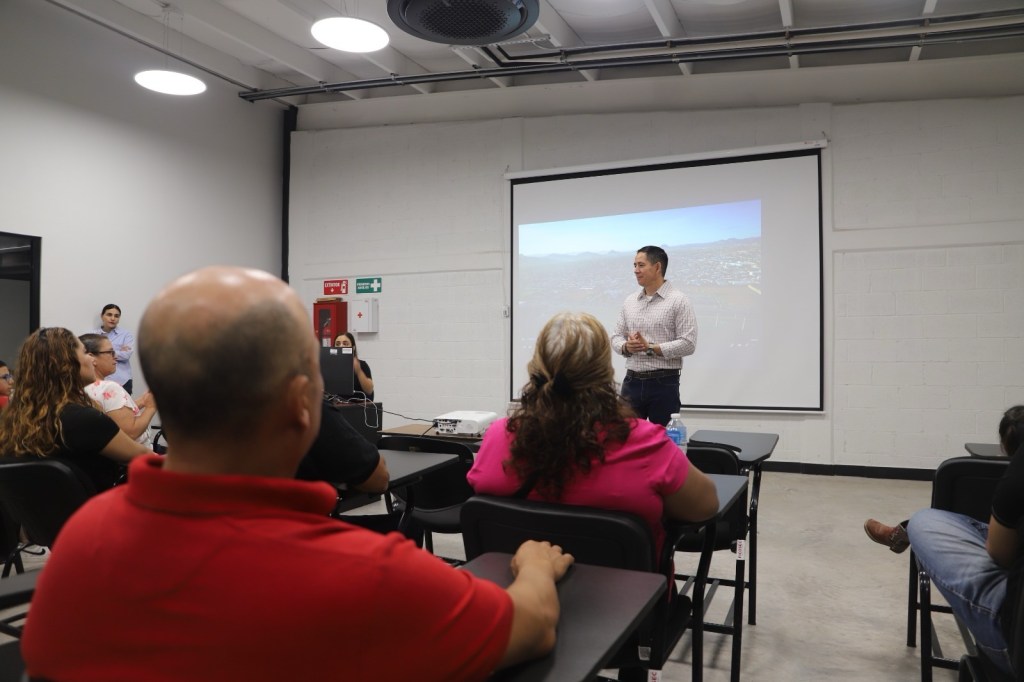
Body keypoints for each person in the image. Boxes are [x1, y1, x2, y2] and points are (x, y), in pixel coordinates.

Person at [22, 266, 573, 681]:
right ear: (300, 404)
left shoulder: (80, 543)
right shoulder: (371, 576)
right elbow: (531, 626)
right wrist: (534, 567)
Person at [468, 311, 718, 557]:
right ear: (605, 373)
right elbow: (706, 506)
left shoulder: (499, 436)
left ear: (535, 366)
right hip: (625, 586)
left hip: (517, 581)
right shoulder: (646, 442)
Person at [867, 406, 1024, 675]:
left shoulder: (1014, 477)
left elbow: (1000, 553)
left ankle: (905, 531)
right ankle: (903, 532)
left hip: (1015, 637)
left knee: (925, 519)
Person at [0, 328, 150, 491]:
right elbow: (145, 457)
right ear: (67, 364)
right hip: (96, 504)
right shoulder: (86, 420)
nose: (92, 359)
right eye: (85, 353)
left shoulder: (14, 418)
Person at [611, 245, 698, 426]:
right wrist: (626, 347)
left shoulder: (679, 300)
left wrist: (650, 348)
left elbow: (688, 343)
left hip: (664, 383)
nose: (636, 270)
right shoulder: (630, 301)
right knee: (625, 437)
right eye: (634, 265)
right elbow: (616, 336)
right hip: (631, 381)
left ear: (657, 267)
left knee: (664, 438)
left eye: (641, 265)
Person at [79, 333, 156, 448]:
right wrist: (151, 407)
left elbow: (113, 413)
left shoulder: (82, 388)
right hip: (135, 456)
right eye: (110, 352)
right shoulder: (108, 388)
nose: (115, 357)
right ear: (92, 358)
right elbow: (131, 433)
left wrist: (142, 401)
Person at [92, 303, 135, 394]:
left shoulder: (126, 335)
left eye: (116, 316)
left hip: (123, 381)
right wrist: (117, 351)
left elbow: (126, 355)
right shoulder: (93, 335)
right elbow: (90, 356)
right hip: (100, 382)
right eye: (109, 315)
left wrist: (100, 352)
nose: (113, 318)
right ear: (102, 316)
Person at [334, 331, 374, 400]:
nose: (341, 346)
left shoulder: (362, 365)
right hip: (336, 405)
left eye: (345, 344)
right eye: (338, 344)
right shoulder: (331, 366)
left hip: (357, 405)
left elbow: (369, 390)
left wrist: (359, 371)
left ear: (353, 347)